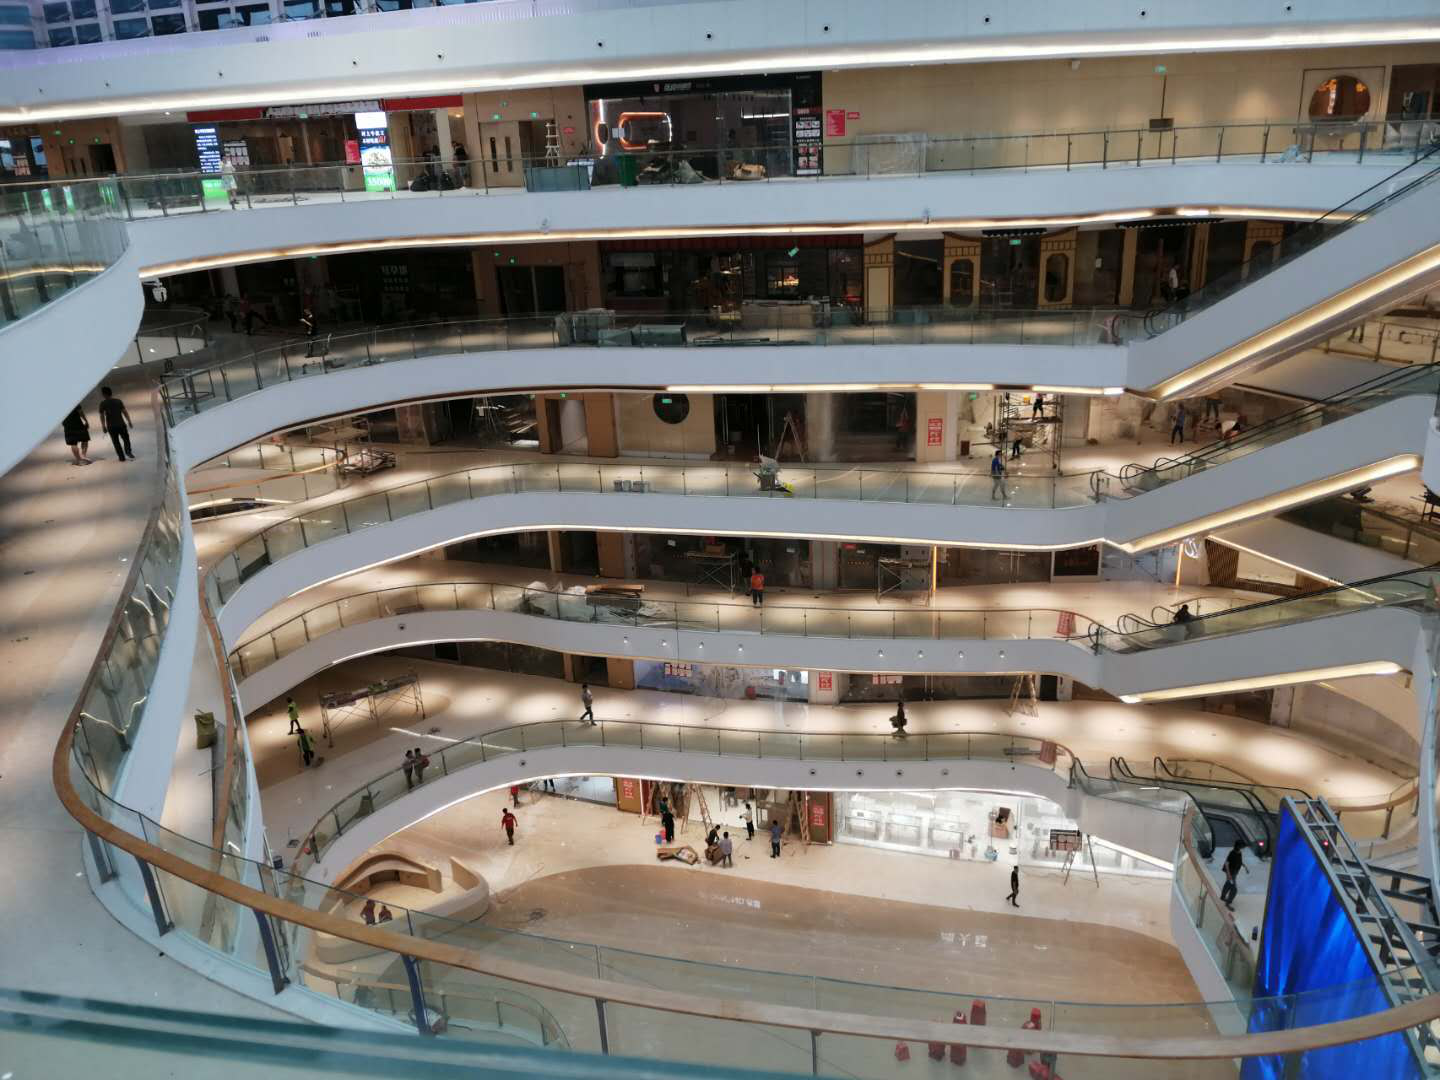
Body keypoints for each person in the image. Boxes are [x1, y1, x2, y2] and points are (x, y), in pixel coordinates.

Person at [97, 386, 135, 463]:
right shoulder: (118, 401)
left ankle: (121, 457)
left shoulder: (103, 404)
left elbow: (102, 416)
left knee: (116, 442)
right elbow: (124, 412)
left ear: (104, 394)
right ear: (111, 393)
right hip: (121, 424)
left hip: (111, 426)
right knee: (126, 439)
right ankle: (128, 451)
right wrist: (129, 421)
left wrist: (103, 426)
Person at [1220, 840, 1248, 909]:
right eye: (1242, 846)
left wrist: (1245, 867)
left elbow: (1240, 861)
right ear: (1238, 846)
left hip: (1234, 872)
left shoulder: (1239, 853)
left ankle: (1222, 897)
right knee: (1234, 889)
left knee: (1228, 884)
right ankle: (1228, 903)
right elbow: (1226, 864)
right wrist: (1229, 874)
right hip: (1230, 872)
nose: (1243, 848)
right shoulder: (1232, 853)